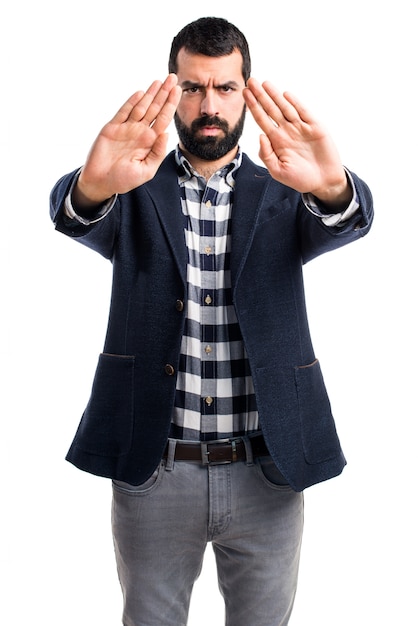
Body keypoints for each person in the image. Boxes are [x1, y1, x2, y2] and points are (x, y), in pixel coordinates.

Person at [50, 16, 373, 626]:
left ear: (245, 92)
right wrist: (93, 186)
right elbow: (76, 214)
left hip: (266, 473)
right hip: (155, 470)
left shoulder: (283, 187)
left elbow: (346, 219)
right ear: (173, 89)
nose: (208, 104)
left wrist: (331, 187)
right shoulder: (134, 187)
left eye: (224, 88)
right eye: (193, 87)